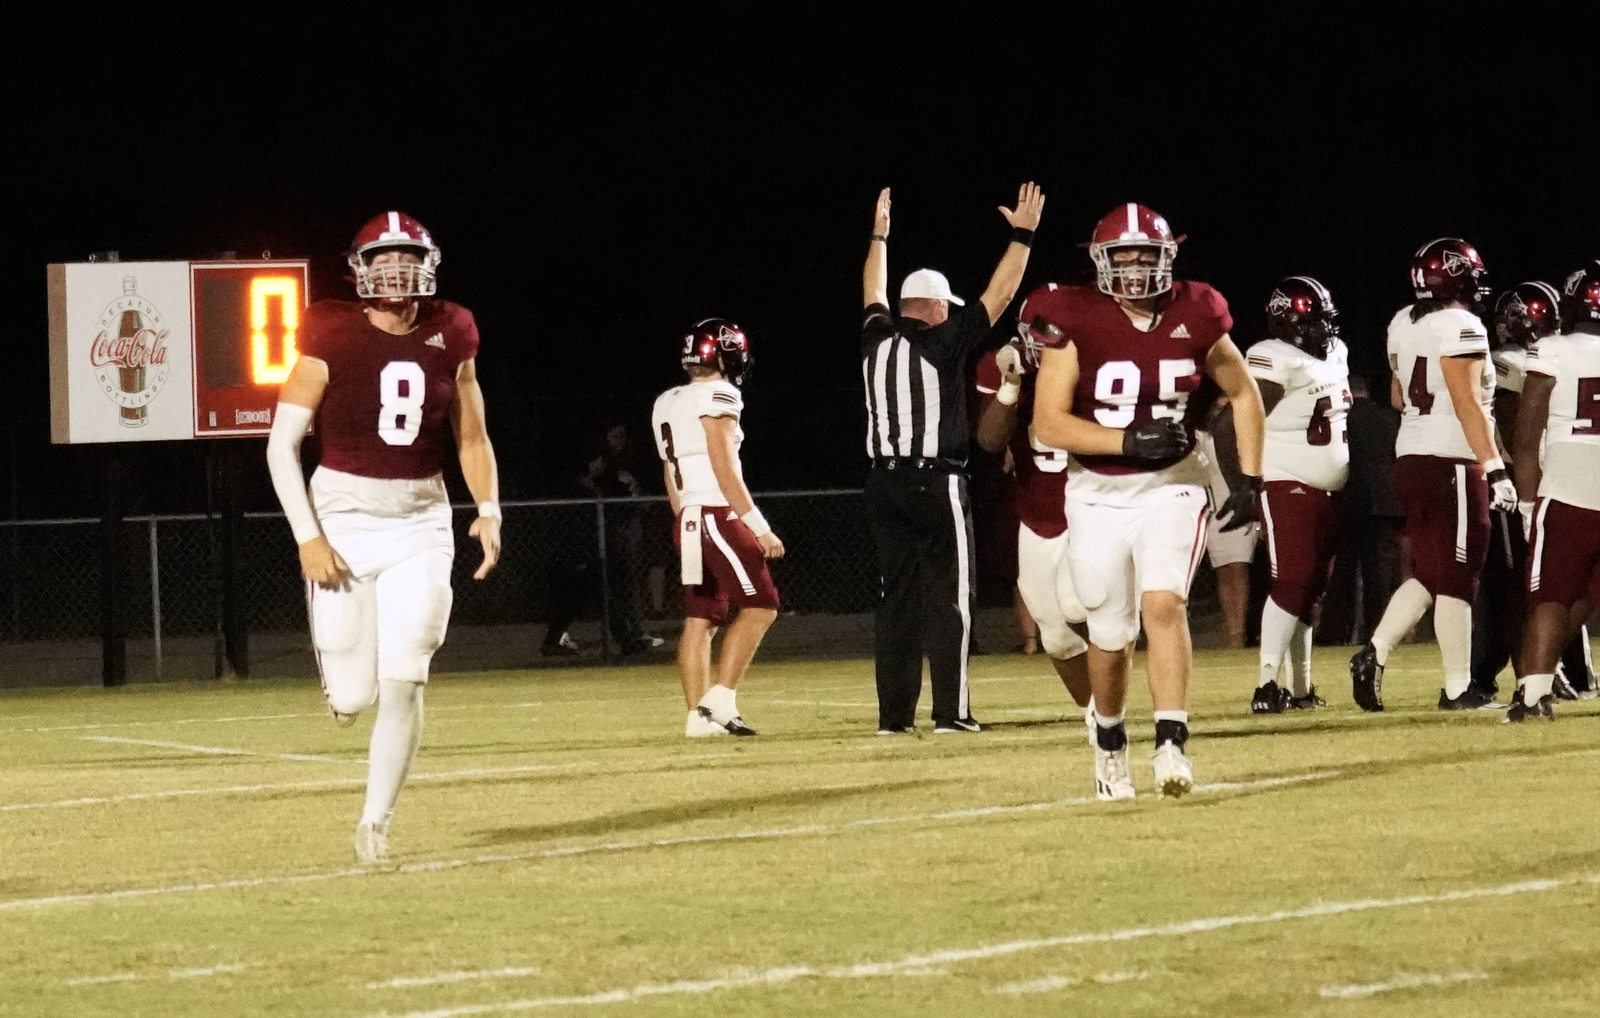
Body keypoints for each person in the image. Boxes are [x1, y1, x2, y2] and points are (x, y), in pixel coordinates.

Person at [266, 211, 501, 863]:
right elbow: (282, 446)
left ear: (427, 265)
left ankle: (375, 822)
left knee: (406, 675)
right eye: (383, 258)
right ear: (358, 269)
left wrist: (489, 507)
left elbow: (472, 434)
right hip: (343, 513)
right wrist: (307, 537)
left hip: (422, 517)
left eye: (407, 257)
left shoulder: (452, 328)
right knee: (353, 695)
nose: (396, 269)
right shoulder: (330, 330)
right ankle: (339, 684)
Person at [1028, 202, 1266, 800]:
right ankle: (1110, 741)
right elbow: (1050, 423)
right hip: (1097, 491)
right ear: (1100, 262)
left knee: (1165, 604)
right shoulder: (1070, 315)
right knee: (1110, 632)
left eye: (1146, 256)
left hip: (1174, 482)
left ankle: (1171, 743)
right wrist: (1125, 439)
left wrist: (1252, 478)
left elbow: (1245, 392)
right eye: (1123, 257)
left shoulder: (1197, 308)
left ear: (1168, 258)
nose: (1135, 270)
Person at [861, 184, 1043, 734]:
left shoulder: (875, 338)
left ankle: (894, 719)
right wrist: (1024, 234)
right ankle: (951, 713)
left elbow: (871, 287)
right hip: (934, 482)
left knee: (896, 603)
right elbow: (1002, 292)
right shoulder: (943, 341)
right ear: (938, 308)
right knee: (950, 600)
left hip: (882, 485)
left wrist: (879, 236)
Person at [1349, 238, 1517, 712]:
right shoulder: (1463, 326)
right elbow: (1468, 407)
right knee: (1460, 577)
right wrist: (1496, 469)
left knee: (1430, 571)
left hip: (1411, 456)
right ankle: (1459, 688)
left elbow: (1400, 397)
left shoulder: (1402, 321)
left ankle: (1374, 652)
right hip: (1453, 460)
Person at [652, 319, 783, 737]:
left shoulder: (667, 400)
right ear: (724, 354)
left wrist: (683, 519)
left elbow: (669, 472)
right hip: (716, 513)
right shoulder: (721, 394)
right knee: (763, 604)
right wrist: (758, 526)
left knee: (701, 617)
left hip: (688, 516)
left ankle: (697, 718)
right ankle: (721, 702)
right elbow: (723, 466)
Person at [1238, 277, 1351, 713]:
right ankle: (1266, 685)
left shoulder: (1336, 355)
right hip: (1286, 480)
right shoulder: (1272, 357)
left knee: (1313, 589)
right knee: (1291, 583)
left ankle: (1301, 688)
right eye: (1316, 320)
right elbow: (1245, 416)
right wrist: (1243, 480)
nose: (1326, 329)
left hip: (1328, 489)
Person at [975, 327, 1093, 734]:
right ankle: (1098, 715)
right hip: (1036, 514)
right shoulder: (1012, 370)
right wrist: (1009, 388)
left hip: (1090, 507)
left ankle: (1115, 687)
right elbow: (989, 441)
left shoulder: (1095, 370)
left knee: (1077, 605)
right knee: (1055, 638)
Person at [1506, 260, 1600, 721]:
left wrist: (1526, 502)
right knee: (1582, 596)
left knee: (1552, 596)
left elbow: (1526, 437)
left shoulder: (1553, 350)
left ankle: (1532, 695)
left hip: (1568, 487)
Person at [1466, 282, 1561, 697]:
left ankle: (1529, 671)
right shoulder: (1507, 362)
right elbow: (1512, 426)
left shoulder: (1542, 357)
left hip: (1537, 477)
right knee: (1512, 583)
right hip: (1510, 480)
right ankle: (1518, 674)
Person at [1196, 425, 1258, 649]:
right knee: (1222, 569)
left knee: (1238, 567)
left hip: (1237, 500)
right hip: (1212, 504)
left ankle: (1239, 633)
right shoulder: (1201, 428)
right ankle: (1231, 628)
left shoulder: (1237, 425)